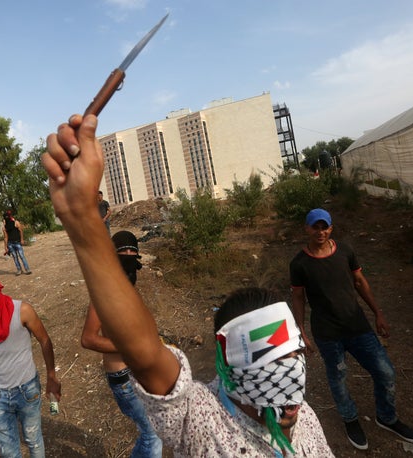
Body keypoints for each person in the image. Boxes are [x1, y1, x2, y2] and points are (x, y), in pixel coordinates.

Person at [41, 114, 333, 456]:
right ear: (228, 362)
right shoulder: (203, 421)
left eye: (294, 355)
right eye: (270, 360)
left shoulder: (307, 419)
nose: (290, 376)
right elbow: (147, 356)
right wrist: (82, 217)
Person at [289, 208, 413, 450]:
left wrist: (378, 313)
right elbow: (298, 297)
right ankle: (350, 419)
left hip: (357, 326)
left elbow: (360, 282)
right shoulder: (299, 264)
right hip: (328, 333)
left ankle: (387, 417)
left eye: (324, 226)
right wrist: (300, 330)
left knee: (385, 372)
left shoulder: (345, 251)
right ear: (306, 229)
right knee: (338, 378)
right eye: (315, 226)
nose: (320, 231)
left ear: (331, 228)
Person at [80, 230, 162, 457]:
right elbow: (88, 338)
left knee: (151, 433)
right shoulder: (103, 293)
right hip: (124, 378)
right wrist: (130, 345)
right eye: (122, 252)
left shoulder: (128, 289)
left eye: (132, 252)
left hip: (138, 374)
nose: (127, 255)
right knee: (152, 436)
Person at [0, 271, 61, 458]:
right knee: (8, 452)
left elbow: (44, 341)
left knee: (33, 440)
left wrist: (51, 375)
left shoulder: (22, 310)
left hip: (27, 388)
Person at [3, 211, 32, 276]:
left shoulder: (16, 223)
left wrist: (22, 239)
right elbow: (5, 237)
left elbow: (20, 231)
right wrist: (5, 247)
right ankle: (19, 270)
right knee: (15, 257)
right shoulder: (5, 227)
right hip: (10, 244)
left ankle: (27, 269)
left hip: (17, 242)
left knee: (21, 256)